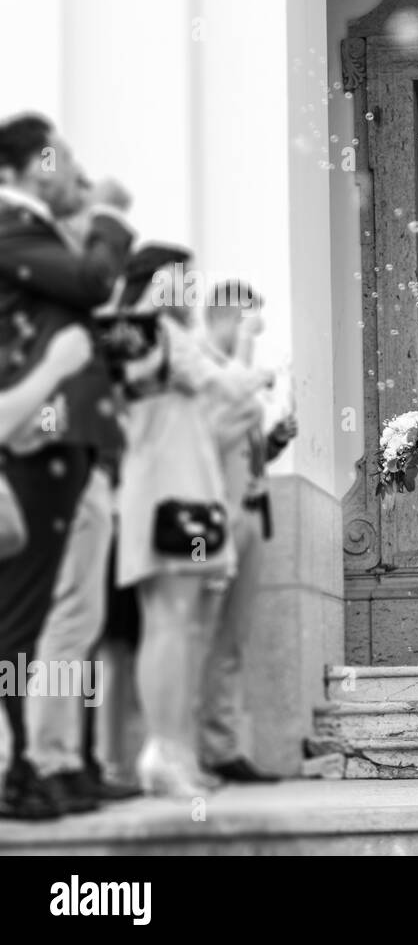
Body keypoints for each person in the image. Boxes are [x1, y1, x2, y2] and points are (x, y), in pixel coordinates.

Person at [0, 113, 134, 820]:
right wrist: (108, 212)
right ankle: (41, 761)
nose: (73, 168)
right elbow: (92, 282)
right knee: (51, 615)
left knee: (76, 615)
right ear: (26, 165)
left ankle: (64, 757)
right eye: (60, 156)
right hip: (37, 444)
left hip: (78, 445)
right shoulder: (11, 227)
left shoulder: (42, 232)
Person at [114, 257, 268, 796]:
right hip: (167, 498)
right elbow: (230, 388)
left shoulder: (154, 335)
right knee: (171, 626)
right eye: (185, 278)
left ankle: (176, 752)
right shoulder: (150, 331)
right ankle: (162, 751)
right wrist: (250, 350)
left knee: (183, 629)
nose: (193, 290)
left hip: (182, 497)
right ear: (160, 280)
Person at [197, 280, 296, 782]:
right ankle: (188, 749)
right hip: (208, 520)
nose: (254, 329)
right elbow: (203, 441)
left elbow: (242, 453)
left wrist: (274, 441)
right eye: (248, 319)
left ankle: (223, 747)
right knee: (198, 631)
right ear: (223, 317)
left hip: (254, 512)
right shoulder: (204, 372)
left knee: (231, 638)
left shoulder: (238, 378)